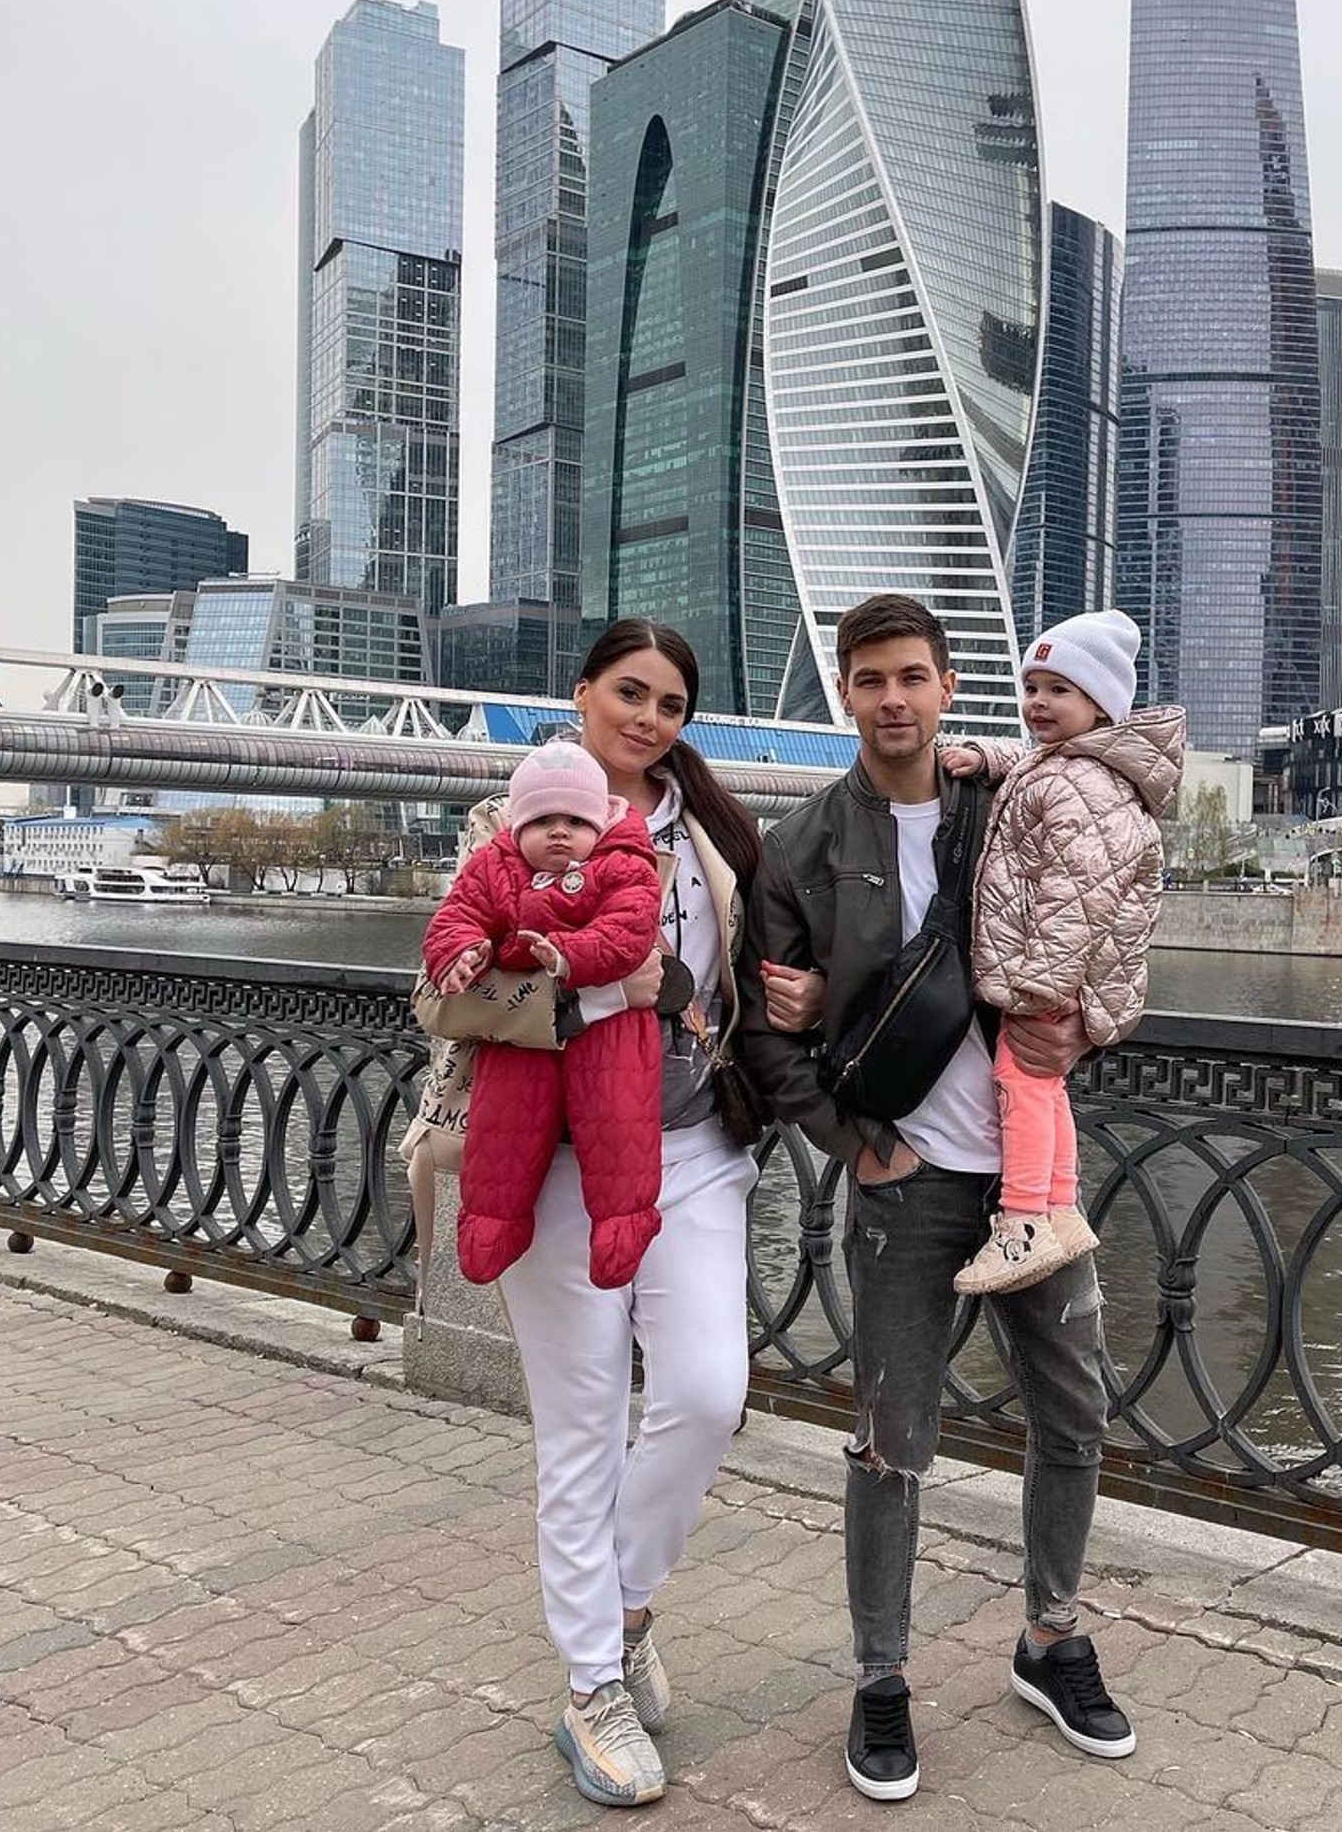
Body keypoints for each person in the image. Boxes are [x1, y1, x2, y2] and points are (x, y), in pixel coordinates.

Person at [739, 594, 1136, 1804]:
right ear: (844, 691)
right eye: (869, 679)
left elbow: (1107, 901)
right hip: (905, 1181)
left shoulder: (1008, 795)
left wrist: (1089, 1024)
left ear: (948, 684)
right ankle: (881, 1676)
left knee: (1075, 1411)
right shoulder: (802, 843)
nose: (892, 699)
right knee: (890, 1443)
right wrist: (856, 1143)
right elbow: (765, 1031)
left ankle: (1050, 1636)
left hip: (1030, 1181)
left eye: (912, 675)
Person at [420, 619, 796, 1809]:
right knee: (580, 1430)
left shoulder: (716, 833)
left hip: (690, 1149)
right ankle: (591, 1683)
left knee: (707, 1391)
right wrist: (601, 992)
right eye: (629, 692)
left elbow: (751, 976)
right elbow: (446, 991)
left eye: (671, 703)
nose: (647, 718)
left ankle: (622, 1611)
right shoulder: (503, 826)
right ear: (581, 694)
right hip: (549, 1160)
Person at [941, 610, 1185, 1295]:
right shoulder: (1076, 768)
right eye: (1032, 688)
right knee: (1044, 1088)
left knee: (1020, 1082)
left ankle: (1021, 1223)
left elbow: (1075, 894)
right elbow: (1031, 769)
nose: (1038, 703)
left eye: (1059, 691)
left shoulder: (1083, 783)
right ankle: (1061, 1208)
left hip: (1052, 974)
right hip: (1072, 974)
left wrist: (1040, 985)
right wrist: (987, 758)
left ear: (1100, 705)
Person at [419, 739, 664, 1289]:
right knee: (504, 1121)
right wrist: (460, 954)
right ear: (518, 825)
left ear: (599, 824)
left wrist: (569, 955)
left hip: (611, 1029)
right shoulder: (494, 864)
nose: (559, 832)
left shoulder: (624, 862)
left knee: (619, 1117)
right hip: (521, 1037)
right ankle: (491, 1223)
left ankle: (624, 1223)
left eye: (575, 821)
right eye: (543, 821)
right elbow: (456, 915)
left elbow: (629, 930)